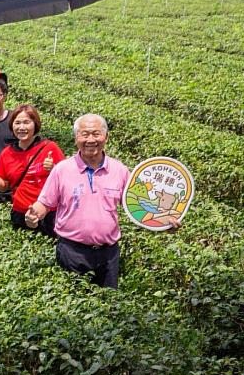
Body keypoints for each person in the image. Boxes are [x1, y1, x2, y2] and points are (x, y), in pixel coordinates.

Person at [25, 114, 179, 288]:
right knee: (74, 305)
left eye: (96, 134)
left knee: (108, 307)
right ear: (76, 138)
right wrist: (33, 215)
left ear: (106, 137)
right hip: (72, 252)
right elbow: (45, 203)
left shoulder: (120, 170)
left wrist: (163, 223)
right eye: (85, 134)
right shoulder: (62, 170)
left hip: (108, 255)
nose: (91, 139)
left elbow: (139, 207)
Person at [0, 104, 65, 236]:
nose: (21, 127)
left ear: (35, 124)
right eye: (17, 123)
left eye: (27, 122)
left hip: (49, 214)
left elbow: (68, 180)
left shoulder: (50, 148)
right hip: (20, 213)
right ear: (12, 126)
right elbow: (4, 185)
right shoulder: (7, 153)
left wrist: (54, 169)